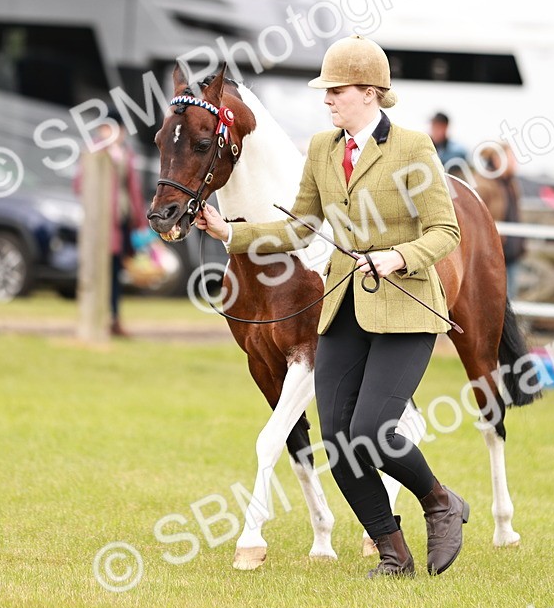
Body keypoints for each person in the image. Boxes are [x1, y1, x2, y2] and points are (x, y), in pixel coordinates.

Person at [194, 35, 469, 579]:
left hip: (405, 307)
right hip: (342, 306)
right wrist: (231, 231)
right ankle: (393, 553)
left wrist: (396, 257)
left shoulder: (414, 149)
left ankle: (439, 503)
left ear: (370, 93)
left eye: (336, 91)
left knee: (370, 428)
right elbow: (299, 226)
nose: (327, 100)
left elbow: (446, 230)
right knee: (341, 440)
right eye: (326, 91)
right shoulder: (322, 149)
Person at [75, 110, 146, 338]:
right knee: (98, 270)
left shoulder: (126, 153)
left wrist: (140, 220)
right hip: (100, 224)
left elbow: (133, 189)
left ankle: (114, 317)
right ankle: (96, 317)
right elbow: (78, 185)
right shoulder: (93, 152)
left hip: (121, 222)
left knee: (116, 271)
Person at [471, 142, 525, 300]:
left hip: (510, 254)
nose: (515, 161)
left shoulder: (510, 183)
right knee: (493, 302)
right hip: (492, 256)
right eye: (510, 157)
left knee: (508, 304)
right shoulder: (482, 184)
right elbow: (474, 221)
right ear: (497, 159)